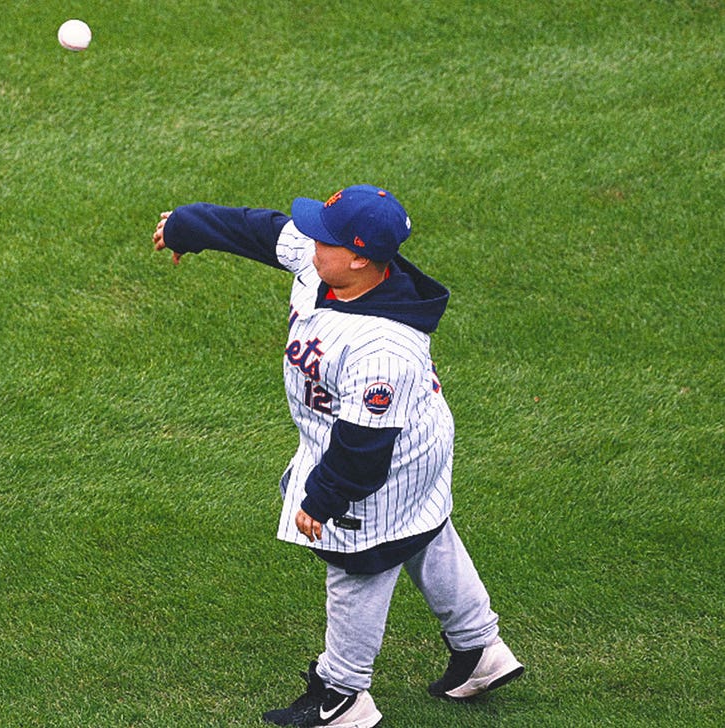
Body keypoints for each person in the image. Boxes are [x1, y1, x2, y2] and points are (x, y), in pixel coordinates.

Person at [151, 185, 524, 727]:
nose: (310, 241)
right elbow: (262, 230)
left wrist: (322, 499)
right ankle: (479, 648)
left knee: (358, 563)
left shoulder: (383, 348)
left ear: (358, 258)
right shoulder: (329, 265)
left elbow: (363, 451)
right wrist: (187, 225)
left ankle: (343, 695)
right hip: (414, 439)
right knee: (423, 531)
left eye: (325, 238)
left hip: (388, 458)